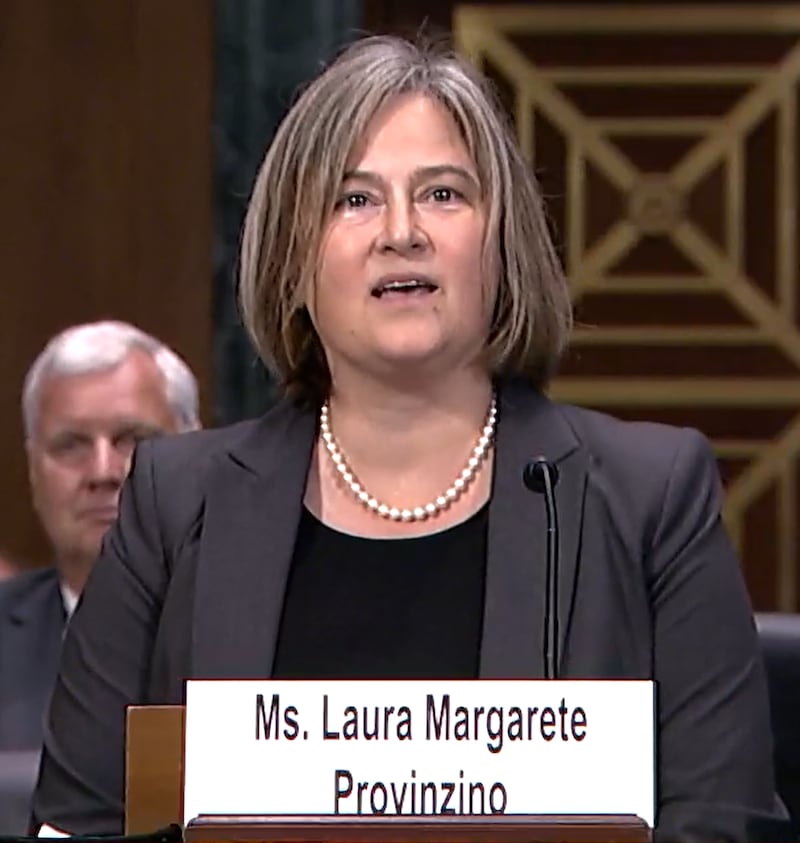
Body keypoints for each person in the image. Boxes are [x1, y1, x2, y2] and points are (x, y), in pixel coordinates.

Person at [32, 37, 782, 841]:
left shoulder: (649, 499)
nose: (401, 231)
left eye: (443, 195)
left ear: (502, 245)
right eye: (354, 199)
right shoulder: (176, 504)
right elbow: (81, 821)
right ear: (293, 260)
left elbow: (721, 820)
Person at [0, 321, 199, 832]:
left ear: (197, 453)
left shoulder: (269, 618)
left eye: (134, 439)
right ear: (31, 468)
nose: (103, 471)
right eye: (70, 445)